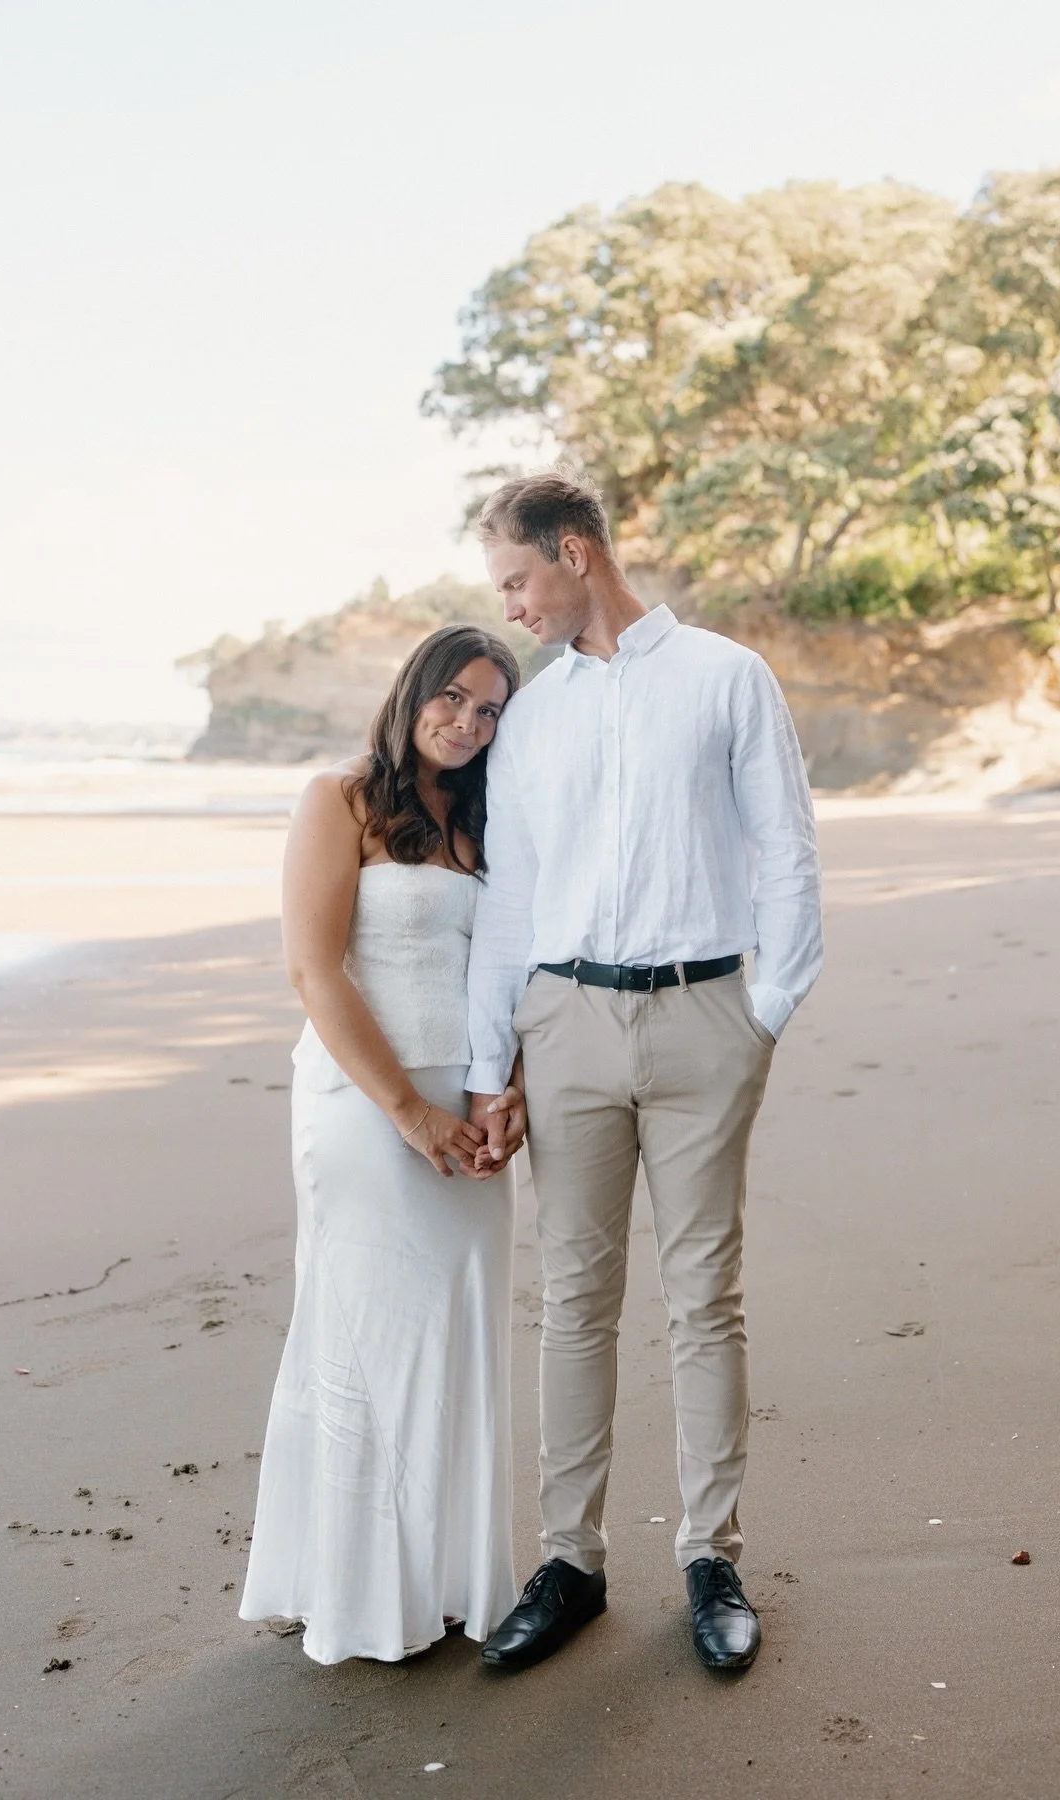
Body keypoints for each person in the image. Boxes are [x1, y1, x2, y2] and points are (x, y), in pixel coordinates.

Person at [466, 468, 823, 1673]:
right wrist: (489, 1058)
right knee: (574, 1296)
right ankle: (572, 1562)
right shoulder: (535, 717)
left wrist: (760, 1012)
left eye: (518, 578)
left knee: (703, 1292)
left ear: (576, 551)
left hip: (703, 1019)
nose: (510, 606)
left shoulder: (727, 677)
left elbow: (787, 852)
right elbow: (509, 900)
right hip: (564, 1022)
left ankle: (710, 1554)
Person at [240, 624, 528, 1664]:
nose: (467, 722)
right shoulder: (342, 800)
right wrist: (412, 1114)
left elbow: (514, 972)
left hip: (472, 1113)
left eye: (491, 708)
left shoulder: (494, 820)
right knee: (369, 1337)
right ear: (414, 693)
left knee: (460, 1335)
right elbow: (317, 974)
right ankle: (359, 1595)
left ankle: (450, 1580)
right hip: (367, 1105)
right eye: (453, 697)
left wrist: (510, 1095)